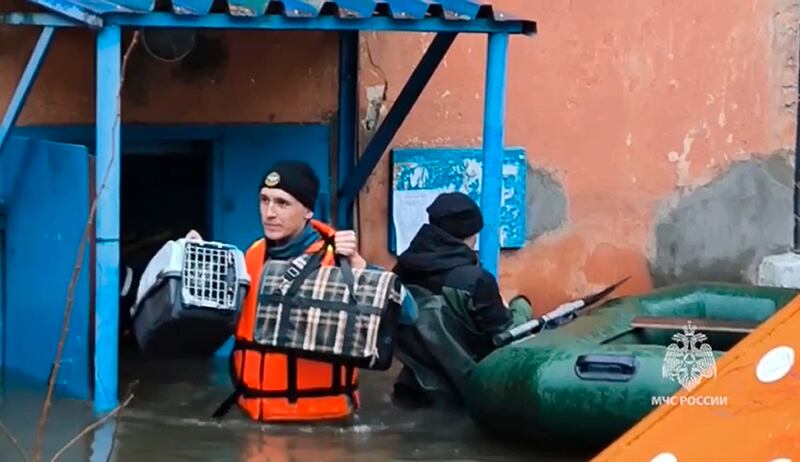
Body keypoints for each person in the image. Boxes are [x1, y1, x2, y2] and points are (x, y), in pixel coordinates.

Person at [190, 160, 372, 423]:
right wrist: (198, 262)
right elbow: (215, 318)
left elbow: (408, 314)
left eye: (282, 203)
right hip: (253, 419)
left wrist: (360, 266)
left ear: (308, 210)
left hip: (322, 426)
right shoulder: (253, 256)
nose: (269, 212)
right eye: (264, 200)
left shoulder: (339, 260)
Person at [391, 191, 533, 409]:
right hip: (464, 393)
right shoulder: (473, 279)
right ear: (472, 234)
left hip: (411, 391)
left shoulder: (401, 269)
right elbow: (507, 336)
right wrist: (521, 306)